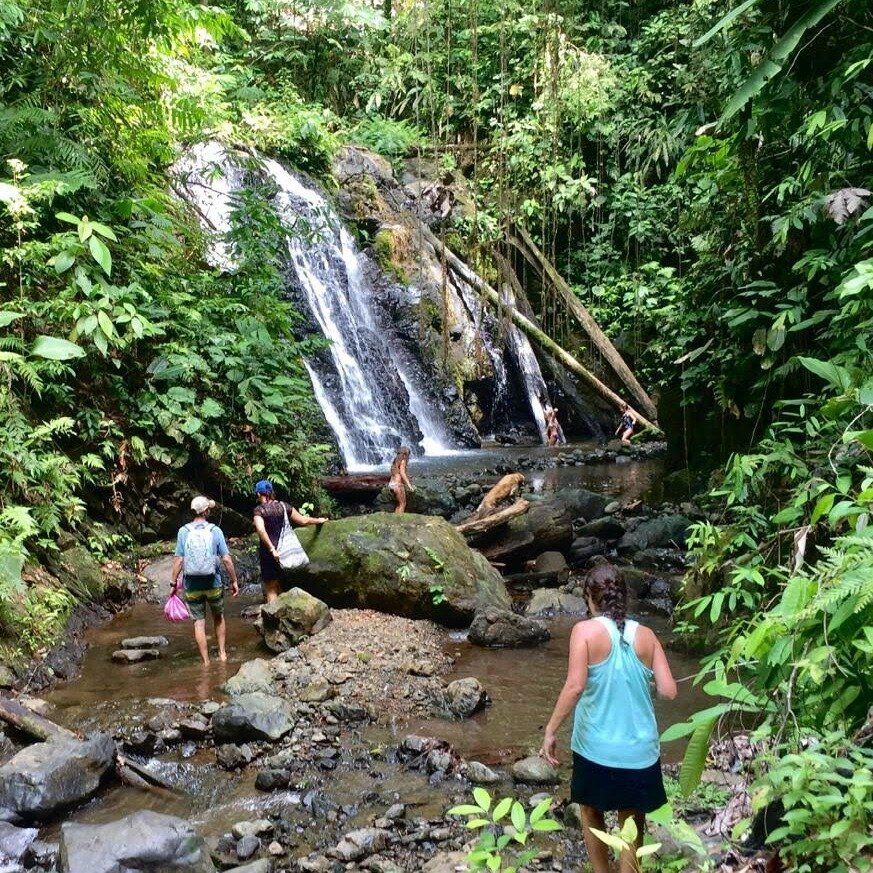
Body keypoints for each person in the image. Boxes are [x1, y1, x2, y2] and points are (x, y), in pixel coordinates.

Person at [540, 563, 677, 873]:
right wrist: (648, 683)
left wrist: (550, 731)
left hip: (596, 750)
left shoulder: (584, 632)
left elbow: (575, 686)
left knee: (590, 811)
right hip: (640, 753)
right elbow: (669, 691)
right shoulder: (646, 635)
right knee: (632, 818)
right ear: (622, 597)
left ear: (590, 598)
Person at [171, 496, 239, 666]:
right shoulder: (215, 530)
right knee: (218, 617)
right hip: (213, 583)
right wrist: (234, 581)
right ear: (206, 511)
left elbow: (179, 560)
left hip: (192, 585)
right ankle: (222, 654)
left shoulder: (183, 531)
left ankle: (206, 662)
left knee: (199, 623)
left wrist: (173, 583)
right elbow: (227, 559)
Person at [252, 480, 328, 603]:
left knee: (271, 588)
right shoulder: (284, 506)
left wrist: (271, 549)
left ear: (259, 494)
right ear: (271, 492)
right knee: (280, 586)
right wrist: (318, 520)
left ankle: (274, 619)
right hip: (285, 552)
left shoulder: (259, 511)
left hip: (269, 553)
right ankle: (284, 615)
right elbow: (302, 520)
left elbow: (261, 530)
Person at [388, 447, 415, 513]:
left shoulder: (396, 461)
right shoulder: (403, 461)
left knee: (399, 504)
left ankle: (395, 519)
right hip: (398, 485)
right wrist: (409, 486)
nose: (409, 457)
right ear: (405, 455)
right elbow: (402, 473)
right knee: (403, 504)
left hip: (392, 484)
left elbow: (395, 473)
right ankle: (399, 521)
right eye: (408, 455)